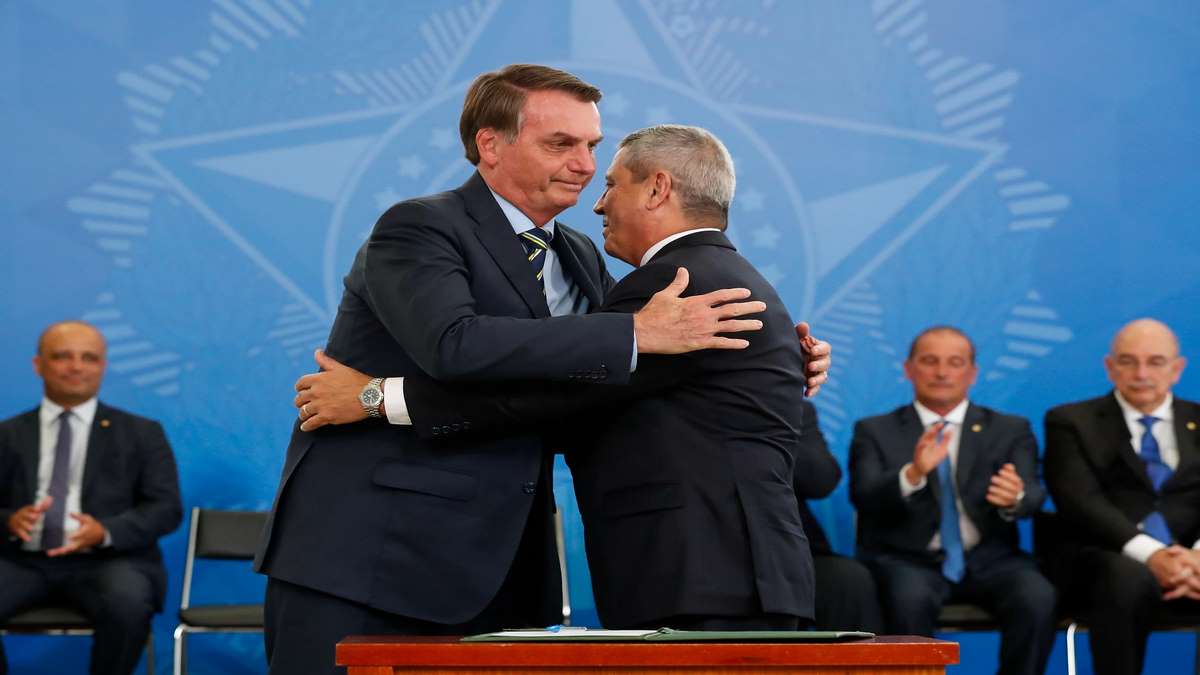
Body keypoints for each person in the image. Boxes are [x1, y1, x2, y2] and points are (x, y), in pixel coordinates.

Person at [255, 65, 827, 674]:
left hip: (502, 567)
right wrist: (635, 333)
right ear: (491, 144)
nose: (583, 165)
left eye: (592, 147)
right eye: (561, 144)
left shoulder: (582, 255)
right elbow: (455, 344)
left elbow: (596, 379)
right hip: (373, 558)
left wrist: (772, 356)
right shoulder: (421, 226)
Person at [849, 326, 1056, 675]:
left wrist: (1015, 498)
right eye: (930, 361)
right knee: (906, 598)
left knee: (1036, 596)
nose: (942, 372)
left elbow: (1034, 493)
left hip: (992, 558)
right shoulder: (875, 430)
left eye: (954, 363)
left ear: (972, 373)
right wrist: (913, 473)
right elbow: (864, 496)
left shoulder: (1009, 428)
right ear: (908, 369)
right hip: (908, 559)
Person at [0, 321, 182, 675]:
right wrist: (8, 519)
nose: (76, 366)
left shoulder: (142, 433)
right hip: (20, 562)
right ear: (38, 365)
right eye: (62, 356)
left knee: (128, 603)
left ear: (103, 366)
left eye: (89, 358)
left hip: (110, 561)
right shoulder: (6, 434)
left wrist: (105, 531)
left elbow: (165, 508)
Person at [1044, 318, 1200, 675]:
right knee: (1125, 578)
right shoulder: (1071, 421)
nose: (1141, 373)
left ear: (1177, 369)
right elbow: (1079, 501)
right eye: (1128, 361)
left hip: (1191, 557)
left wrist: (1195, 559)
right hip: (1107, 556)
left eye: (1155, 362)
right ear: (1109, 368)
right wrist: (1154, 555)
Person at [792, 399, 883, 633]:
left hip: (792, 553)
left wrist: (775, 416)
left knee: (848, 580)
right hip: (708, 551)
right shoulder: (688, 405)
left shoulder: (795, 409)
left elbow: (821, 482)